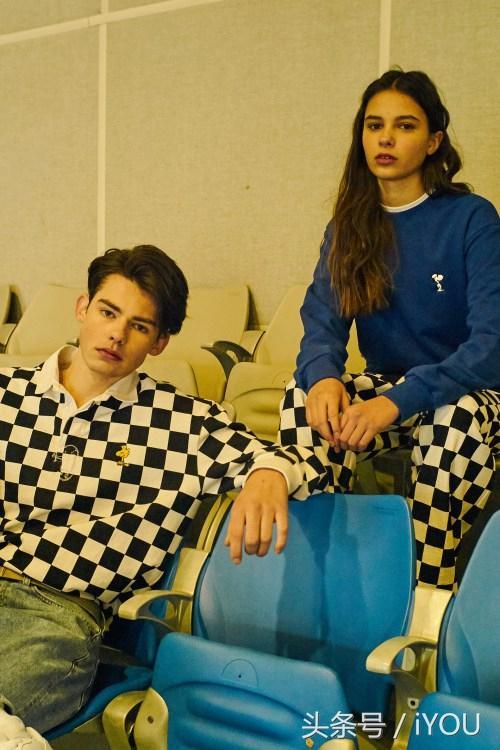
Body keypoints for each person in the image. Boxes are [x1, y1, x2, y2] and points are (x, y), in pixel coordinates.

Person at [0, 245, 332, 749]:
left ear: (159, 342)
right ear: (82, 308)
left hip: (56, 613)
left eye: (138, 326)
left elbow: (303, 462)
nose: (116, 333)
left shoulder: (183, 423)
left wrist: (268, 473)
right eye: (108, 312)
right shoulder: (8, 394)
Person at [280, 69, 500, 594]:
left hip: (470, 395)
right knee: (302, 398)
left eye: (405, 126)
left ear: (433, 141)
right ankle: (320, 577)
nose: (386, 138)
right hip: (389, 390)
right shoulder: (348, 226)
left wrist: (397, 402)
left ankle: (426, 593)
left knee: (455, 421)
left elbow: (490, 346)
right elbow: (321, 321)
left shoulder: (471, 218)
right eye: (374, 125)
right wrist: (323, 377)